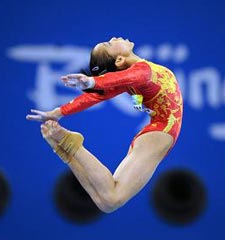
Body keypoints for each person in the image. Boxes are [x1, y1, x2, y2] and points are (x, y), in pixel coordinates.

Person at [26, 37, 183, 213]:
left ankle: (67, 150)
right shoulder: (141, 72)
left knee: (107, 203)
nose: (113, 38)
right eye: (109, 44)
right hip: (160, 133)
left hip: (156, 133)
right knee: (113, 198)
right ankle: (74, 147)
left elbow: (98, 95)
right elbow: (112, 84)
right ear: (119, 60)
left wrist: (58, 112)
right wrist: (91, 82)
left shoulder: (132, 79)